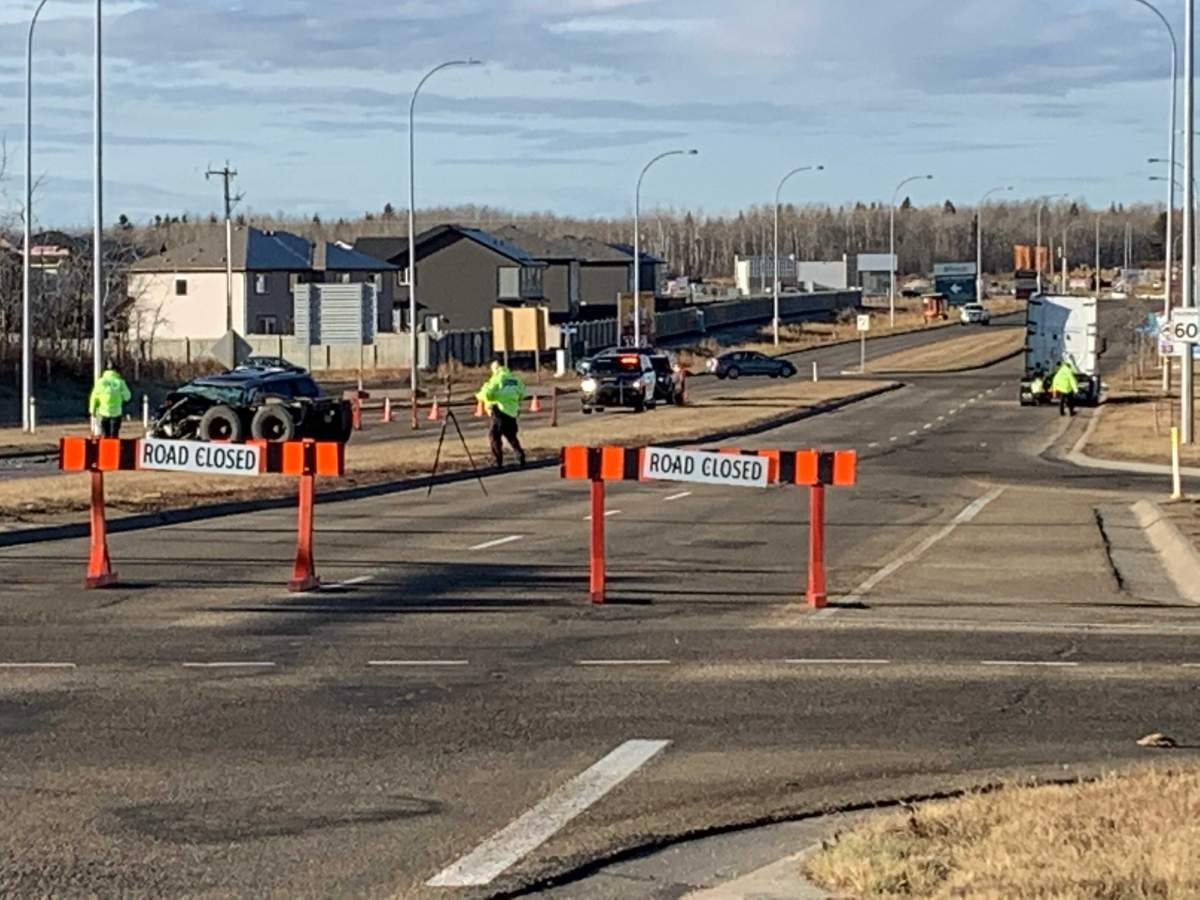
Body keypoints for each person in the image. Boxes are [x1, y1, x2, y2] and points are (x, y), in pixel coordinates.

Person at [475, 358, 526, 467]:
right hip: (512, 412)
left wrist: (478, 396)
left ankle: (497, 460)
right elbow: (522, 393)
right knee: (511, 436)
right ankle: (520, 455)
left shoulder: (497, 379)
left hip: (499, 411)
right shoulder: (515, 379)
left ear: (496, 368)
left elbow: (486, 394)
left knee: (494, 436)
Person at [89, 364, 132, 437]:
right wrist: (120, 397)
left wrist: (92, 410)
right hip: (116, 413)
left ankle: (105, 443)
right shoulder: (120, 382)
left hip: (102, 413)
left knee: (105, 436)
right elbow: (127, 397)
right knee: (114, 436)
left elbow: (94, 397)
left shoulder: (100, 382)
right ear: (116, 371)